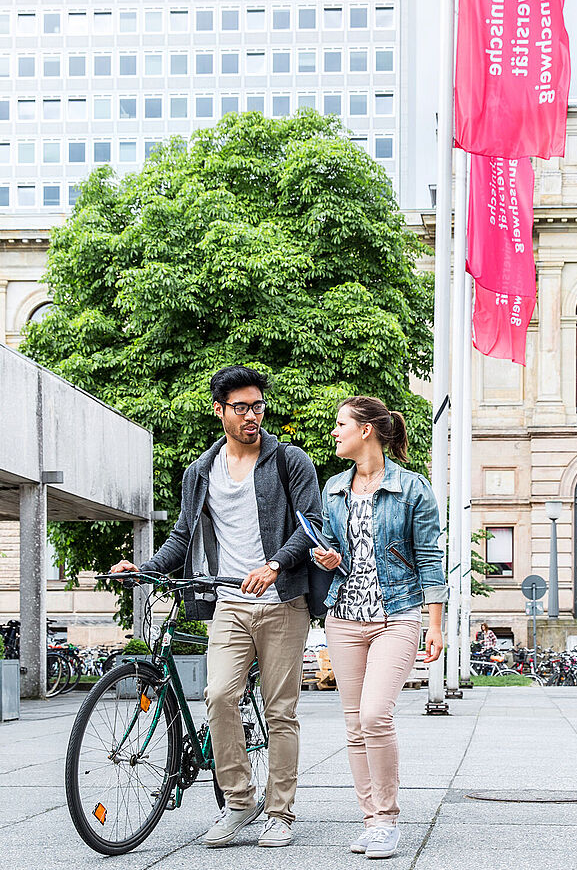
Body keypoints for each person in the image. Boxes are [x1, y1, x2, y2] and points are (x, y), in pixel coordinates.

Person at [108, 365, 322, 849]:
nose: (253, 415)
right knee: (220, 697)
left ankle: (280, 813)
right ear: (219, 410)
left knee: (279, 711)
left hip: (283, 602)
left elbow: (311, 523)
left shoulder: (290, 461)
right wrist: (146, 568)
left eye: (258, 406)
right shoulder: (200, 471)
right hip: (228, 602)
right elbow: (183, 535)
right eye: (242, 407)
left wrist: (274, 564)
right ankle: (240, 802)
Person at [311, 396, 445, 860]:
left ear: (366, 430)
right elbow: (327, 545)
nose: (334, 431)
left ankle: (387, 820)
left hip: (398, 613)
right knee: (353, 724)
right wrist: (326, 556)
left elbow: (430, 557)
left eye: (340, 424)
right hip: (344, 614)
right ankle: (370, 821)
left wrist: (435, 624)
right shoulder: (333, 489)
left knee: (374, 716)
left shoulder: (412, 489)